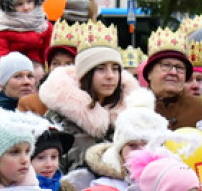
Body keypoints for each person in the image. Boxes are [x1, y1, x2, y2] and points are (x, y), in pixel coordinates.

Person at [34, 22, 145, 170]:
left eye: (115, 69)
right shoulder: (57, 119)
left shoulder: (132, 116)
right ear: (85, 74)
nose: (110, 76)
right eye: (101, 69)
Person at [142, 28, 202, 130]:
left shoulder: (201, 109)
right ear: (149, 73)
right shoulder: (134, 108)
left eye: (179, 68)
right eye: (166, 65)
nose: (174, 72)